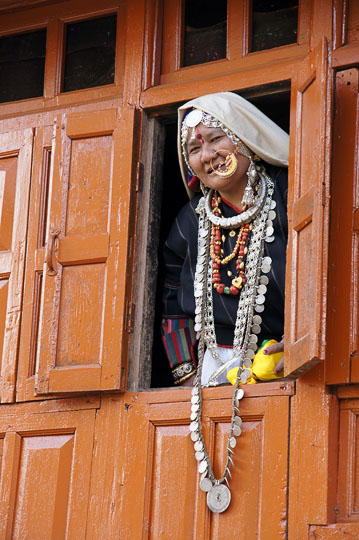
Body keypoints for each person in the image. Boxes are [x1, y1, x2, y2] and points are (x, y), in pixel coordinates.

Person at [161, 92, 288, 388]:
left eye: (216, 138)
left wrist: (307, 337)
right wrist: (186, 374)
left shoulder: (290, 191)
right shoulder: (189, 220)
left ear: (244, 137)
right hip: (217, 371)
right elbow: (172, 303)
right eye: (194, 149)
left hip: (291, 359)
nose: (207, 155)